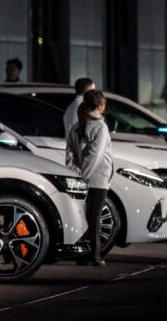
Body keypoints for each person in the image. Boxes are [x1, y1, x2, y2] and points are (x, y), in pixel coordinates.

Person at [65, 90, 113, 267]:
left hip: (80, 177)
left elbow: (69, 153)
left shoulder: (76, 126)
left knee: (82, 218)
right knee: (94, 218)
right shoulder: (100, 127)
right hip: (97, 179)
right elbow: (95, 156)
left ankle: (82, 256)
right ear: (100, 105)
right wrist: (84, 177)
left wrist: (74, 172)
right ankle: (94, 256)